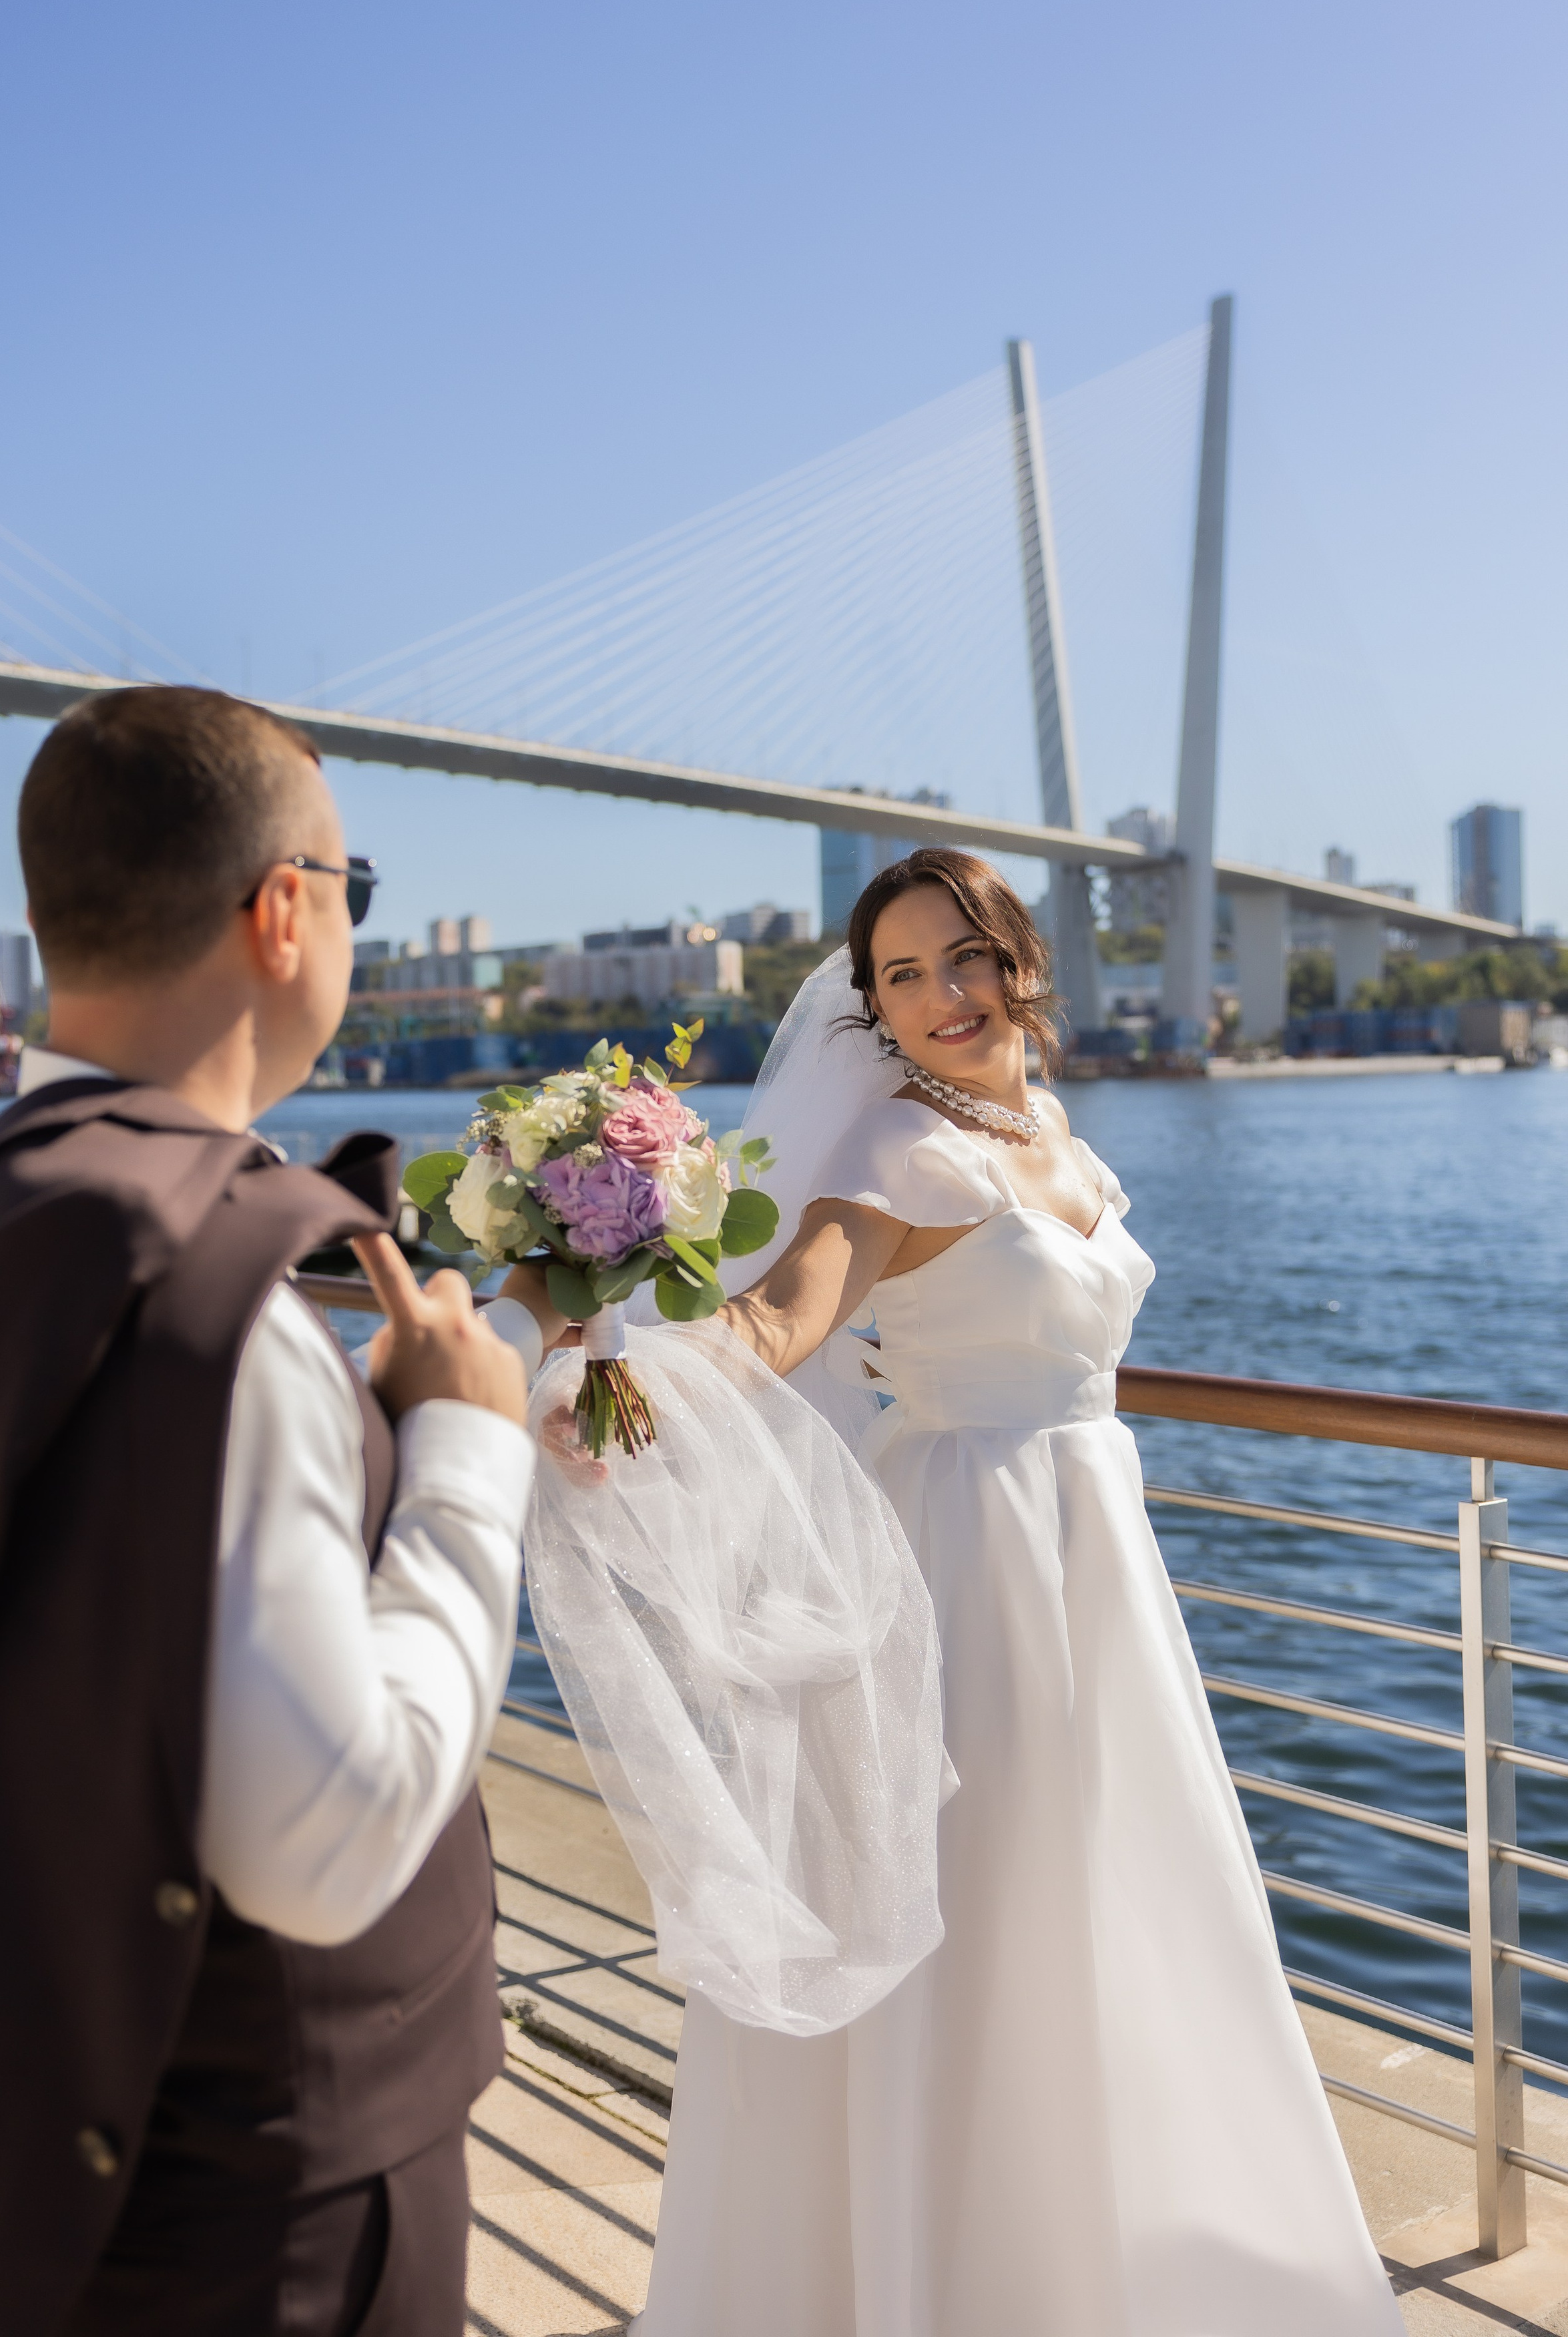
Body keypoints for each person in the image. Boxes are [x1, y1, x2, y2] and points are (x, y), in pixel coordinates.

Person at [530, 846, 1402, 2336]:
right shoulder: (898, 1158)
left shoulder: (1053, 1136)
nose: (942, 995)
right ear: (866, 1007)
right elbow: (780, 1325)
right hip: (961, 1565)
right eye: (900, 976)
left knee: (1109, 1908)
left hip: (1093, 1562)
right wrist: (611, 1385)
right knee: (976, 1918)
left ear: (1019, 957)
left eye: (966, 958)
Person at [0, 686, 553, 2337]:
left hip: (42, 2169)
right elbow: (325, 1838)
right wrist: (464, 1448)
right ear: (283, 908)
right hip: (267, 2235)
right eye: (350, 886)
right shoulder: (219, 1295)